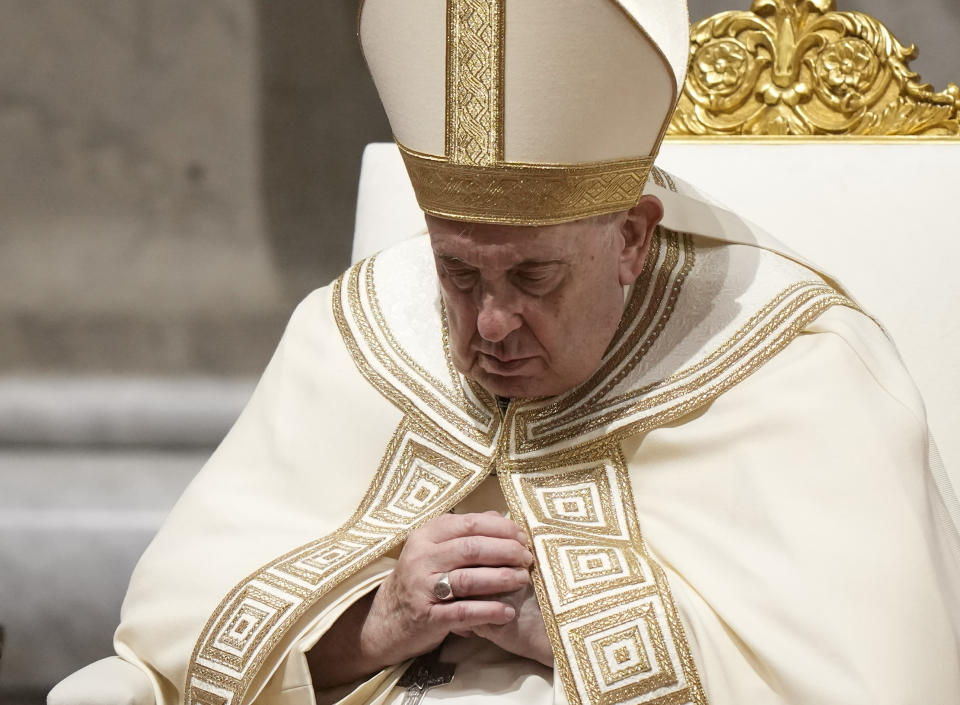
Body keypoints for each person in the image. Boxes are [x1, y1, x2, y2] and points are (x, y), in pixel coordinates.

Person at [111, 1, 960, 704]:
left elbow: (875, 678)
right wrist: (373, 623)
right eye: (459, 273)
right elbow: (164, 648)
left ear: (630, 239)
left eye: (534, 275)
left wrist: (579, 628)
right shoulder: (361, 324)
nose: (490, 323)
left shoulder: (796, 362)